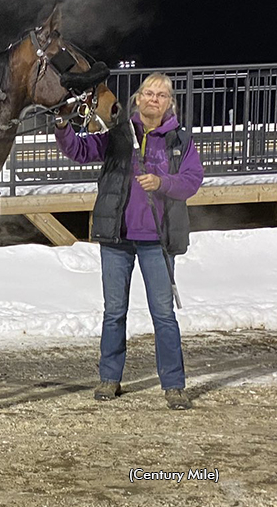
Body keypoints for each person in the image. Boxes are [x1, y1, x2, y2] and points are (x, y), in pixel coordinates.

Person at [54, 73, 204, 410]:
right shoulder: (118, 135)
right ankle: (110, 377)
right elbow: (79, 150)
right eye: (148, 93)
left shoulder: (180, 140)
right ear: (137, 99)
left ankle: (174, 384)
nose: (154, 99)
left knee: (163, 314)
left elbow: (192, 181)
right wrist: (63, 125)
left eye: (162, 95)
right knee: (114, 312)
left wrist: (162, 183)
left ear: (170, 103)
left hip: (158, 240)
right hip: (117, 238)